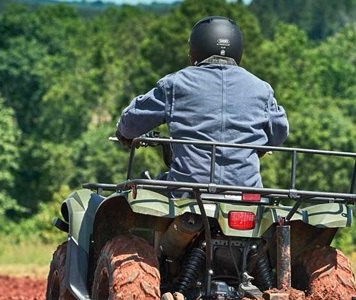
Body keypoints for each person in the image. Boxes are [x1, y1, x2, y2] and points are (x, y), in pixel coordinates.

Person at [116, 16, 289, 188]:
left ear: (195, 50)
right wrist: (259, 146)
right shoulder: (261, 88)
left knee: (130, 195)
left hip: (186, 191)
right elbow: (279, 132)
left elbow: (132, 122)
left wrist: (124, 133)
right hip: (247, 192)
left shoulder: (176, 84)